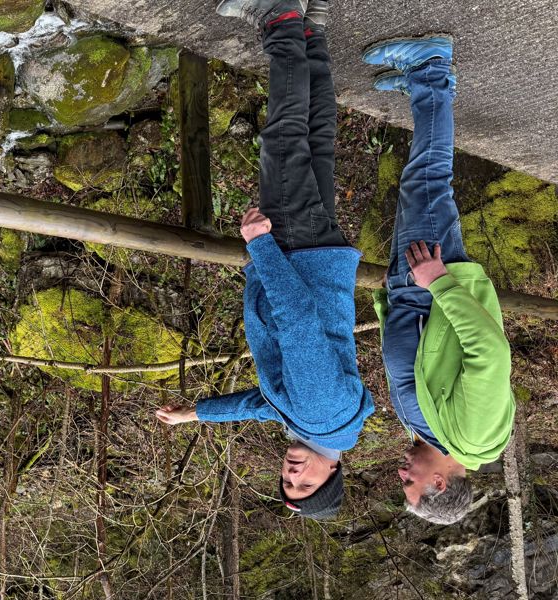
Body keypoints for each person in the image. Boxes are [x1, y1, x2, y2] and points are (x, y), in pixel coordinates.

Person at [155, 0, 374, 521]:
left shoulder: (326, 425)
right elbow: (297, 324)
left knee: (316, 144)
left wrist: (198, 415)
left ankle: (312, 31)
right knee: (283, 138)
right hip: (296, 253)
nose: (291, 474)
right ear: (332, 473)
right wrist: (261, 246)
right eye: (304, 484)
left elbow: (263, 402)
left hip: (320, 258)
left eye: (286, 482)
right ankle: (279, 17)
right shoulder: (320, 411)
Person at [363, 35, 514, 524]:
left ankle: (420, 91)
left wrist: (391, 302)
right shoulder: (475, 435)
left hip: (410, 288)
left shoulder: (433, 434)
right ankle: (431, 67)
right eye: (410, 483)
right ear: (439, 483)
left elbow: (416, 365)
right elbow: (488, 352)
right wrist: (438, 282)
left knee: (419, 184)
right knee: (427, 179)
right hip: (432, 279)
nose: (401, 473)